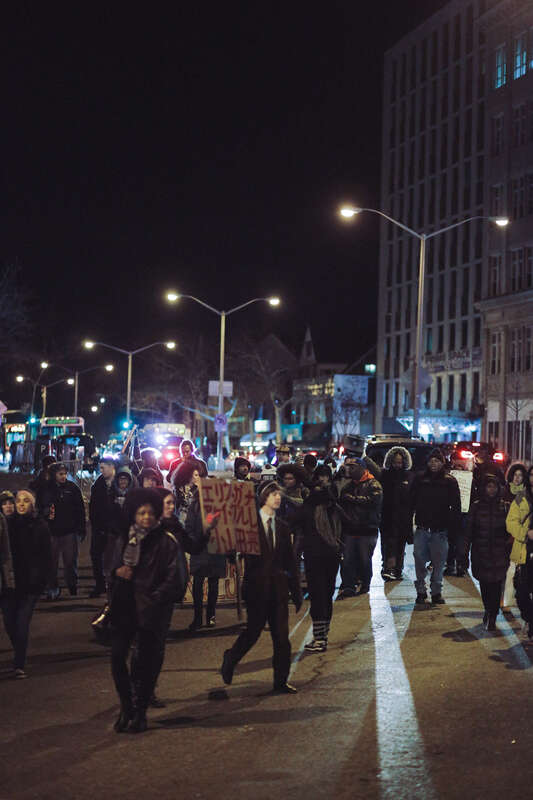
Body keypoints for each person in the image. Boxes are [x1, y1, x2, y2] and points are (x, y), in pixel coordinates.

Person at [109, 489, 182, 733]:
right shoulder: (125, 539)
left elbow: (175, 579)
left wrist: (154, 599)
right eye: (141, 513)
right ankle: (126, 706)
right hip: (125, 607)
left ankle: (139, 712)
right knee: (118, 658)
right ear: (133, 514)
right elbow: (112, 567)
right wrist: (118, 572)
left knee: (145, 664)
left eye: (151, 513)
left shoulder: (166, 542)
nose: (146, 517)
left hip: (152, 611)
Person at [220, 481, 302, 693]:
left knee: (282, 638)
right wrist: (230, 547)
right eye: (273, 494)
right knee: (253, 632)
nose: (278, 498)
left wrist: (296, 590)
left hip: (278, 590)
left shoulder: (283, 527)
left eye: (279, 494)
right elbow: (232, 550)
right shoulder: (248, 526)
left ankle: (280, 681)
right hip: (256, 588)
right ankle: (231, 657)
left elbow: (289, 560)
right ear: (263, 497)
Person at [289, 466, 341, 652]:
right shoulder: (333, 500)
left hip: (316, 556)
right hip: (333, 555)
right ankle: (322, 636)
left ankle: (320, 639)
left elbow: (292, 520)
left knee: (319, 597)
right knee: (326, 596)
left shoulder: (311, 504)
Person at [2, 490, 51, 678]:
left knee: (22, 623)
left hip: (30, 584)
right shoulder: (8, 524)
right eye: (18, 501)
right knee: (9, 622)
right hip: (11, 583)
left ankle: (19, 663)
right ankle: (19, 650)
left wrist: (43, 580)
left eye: (25, 501)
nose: (21, 504)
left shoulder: (40, 526)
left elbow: (47, 557)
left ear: (32, 504)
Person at [409, 448, 461, 606]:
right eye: (431, 460)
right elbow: (410, 501)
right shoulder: (419, 479)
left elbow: (456, 506)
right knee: (419, 560)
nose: (433, 463)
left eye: (437, 461)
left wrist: (453, 529)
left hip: (440, 530)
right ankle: (420, 591)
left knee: (439, 564)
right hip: (422, 528)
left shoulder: (450, 481)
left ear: (442, 463)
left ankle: (436, 592)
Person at [464, 474, 510, 631]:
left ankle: (493, 616)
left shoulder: (504, 506)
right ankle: (488, 609)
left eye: (494, 487)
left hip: (499, 553)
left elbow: (509, 531)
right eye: (489, 486)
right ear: (484, 488)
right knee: (484, 585)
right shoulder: (476, 506)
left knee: (496, 585)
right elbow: (468, 531)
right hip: (480, 553)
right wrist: (463, 553)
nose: (492, 490)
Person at [183, 466, 227, 631]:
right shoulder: (195, 503)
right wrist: (194, 541)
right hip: (200, 548)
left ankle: (211, 615)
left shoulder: (220, 505)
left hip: (216, 548)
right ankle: (197, 617)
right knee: (198, 583)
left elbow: (226, 526)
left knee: (213, 582)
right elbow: (188, 526)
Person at [336, 456, 383, 598]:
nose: (349, 470)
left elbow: (374, 502)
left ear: (362, 468)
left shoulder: (373, 484)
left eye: (353, 467)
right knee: (348, 559)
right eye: (348, 467)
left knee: (364, 559)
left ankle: (365, 584)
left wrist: (353, 499)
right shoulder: (349, 485)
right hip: (351, 529)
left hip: (367, 529)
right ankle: (349, 585)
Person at [45, 463, 86, 599]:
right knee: (51, 563)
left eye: (64, 474)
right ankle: (53, 588)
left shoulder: (72, 488)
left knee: (70, 562)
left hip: (69, 531)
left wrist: (81, 528)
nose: (63, 476)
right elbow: (41, 506)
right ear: (54, 475)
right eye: (60, 474)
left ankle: (72, 586)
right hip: (52, 531)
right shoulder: (48, 489)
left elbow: (80, 509)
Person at [506, 465, 533, 638]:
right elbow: (511, 523)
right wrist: (526, 533)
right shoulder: (521, 498)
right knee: (522, 592)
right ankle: (530, 619)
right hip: (525, 551)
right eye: (532, 475)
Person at [380, 446, 414, 581]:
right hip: (387, 517)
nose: (397, 465)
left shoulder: (409, 477)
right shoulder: (385, 475)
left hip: (403, 518)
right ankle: (388, 568)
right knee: (388, 545)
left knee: (400, 545)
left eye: (400, 462)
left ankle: (398, 569)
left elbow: (412, 497)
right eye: (395, 462)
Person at [88, 457, 117, 598]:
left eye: (103, 468)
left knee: (113, 557)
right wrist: (95, 525)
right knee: (96, 555)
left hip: (115, 528)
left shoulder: (121, 482)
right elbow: (93, 507)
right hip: (99, 527)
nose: (101, 471)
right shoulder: (98, 484)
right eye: (100, 468)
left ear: (112, 467)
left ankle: (114, 584)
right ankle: (100, 584)